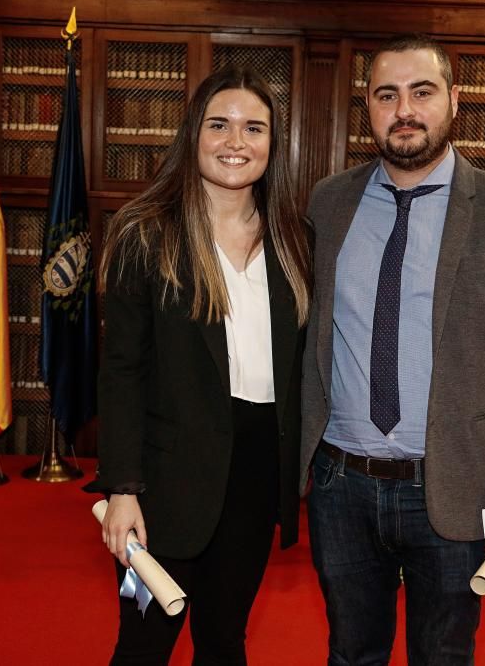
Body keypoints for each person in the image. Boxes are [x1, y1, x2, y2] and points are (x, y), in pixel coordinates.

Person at [300, 33, 485, 664]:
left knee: (444, 656)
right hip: (341, 484)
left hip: (453, 485)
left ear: (453, 99)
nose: (404, 110)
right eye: (386, 95)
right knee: (349, 653)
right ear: (367, 106)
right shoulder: (327, 203)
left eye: (421, 92)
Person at [95, 66, 311, 665]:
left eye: (253, 129)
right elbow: (121, 371)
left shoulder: (297, 240)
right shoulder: (145, 234)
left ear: (273, 143)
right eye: (219, 125)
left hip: (255, 472)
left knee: (224, 641)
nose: (235, 142)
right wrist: (123, 489)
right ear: (194, 134)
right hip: (165, 479)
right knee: (143, 644)